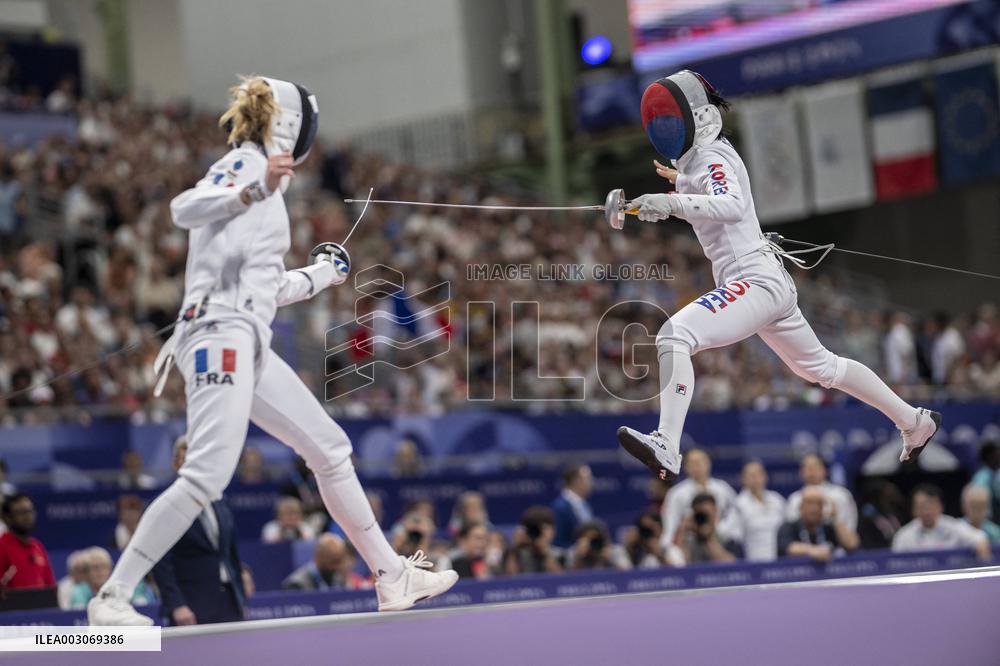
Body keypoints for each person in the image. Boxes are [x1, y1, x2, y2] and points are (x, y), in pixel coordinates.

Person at [87, 75, 457, 626]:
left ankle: (391, 575)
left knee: (330, 450)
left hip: (247, 337)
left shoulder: (268, 182)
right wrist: (253, 188)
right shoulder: (248, 164)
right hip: (219, 335)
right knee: (207, 476)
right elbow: (184, 207)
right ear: (288, 124)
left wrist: (321, 274)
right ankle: (113, 598)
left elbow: (264, 286)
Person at [615, 70, 941, 481]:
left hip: (753, 282)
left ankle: (667, 443)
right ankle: (914, 421)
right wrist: (675, 188)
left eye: (671, 120)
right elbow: (709, 192)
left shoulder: (712, 156)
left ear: (697, 117)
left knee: (674, 336)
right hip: (766, 283)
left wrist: (671, 201)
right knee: (822, 368)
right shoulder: (704, 158)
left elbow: (730, 203)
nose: (665, 129)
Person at [152, 436, 248, 625]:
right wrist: (177, 605)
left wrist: (240, 596)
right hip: (191, 606)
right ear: (176, 464)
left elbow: (230, 553)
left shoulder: (219, 500)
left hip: (229, 602)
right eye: (186, 459)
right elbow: (161, 562)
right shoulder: (166, 505)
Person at [892, 484, 991, 561]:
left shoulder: (953, 526)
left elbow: (979, 537)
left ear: (941, 506)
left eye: (930, 504)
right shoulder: (903, 536)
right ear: (913, 510)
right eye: (921, 506)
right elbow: (894, 563)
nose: (926, 511)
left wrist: (984, 558)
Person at [660, 448, 736, 547]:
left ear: (709, 463)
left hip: (721, 540)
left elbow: (735, 513)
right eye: (693, 463)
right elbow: (670, 523)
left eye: (701, 462)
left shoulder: (722, 488)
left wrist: (722, 529)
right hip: (689, 542)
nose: (698, 466)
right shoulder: (676, 493)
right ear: (685, 467)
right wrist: (667, 545)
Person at [777, 486, 858, 562]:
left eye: (819, 504)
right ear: (801, 507)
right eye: (809, 503)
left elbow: (851, 544)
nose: (814, 508)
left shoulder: (828, 527)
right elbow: (788, 547)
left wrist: (836, 518)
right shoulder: (789, 526)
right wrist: (813, 550)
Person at [728, 461, 785, 561]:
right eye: (751, 475)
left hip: (782, 560)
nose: (756, 478)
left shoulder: (777, 499)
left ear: (765, 477)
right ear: (743, 479)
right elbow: (733, 536)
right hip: (756, 562)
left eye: (759, 474)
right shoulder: (739, 504)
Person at [784, 454, 858, 532]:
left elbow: (851, 523)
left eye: (815, 466)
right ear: (801, 472)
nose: (811, 471)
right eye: (807, 467)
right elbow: (791, 528)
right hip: (804, 542)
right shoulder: (795, 499)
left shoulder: (841, 494)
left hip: (837, 542)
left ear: (825, 470)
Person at [0, 493, 55, 590]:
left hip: (42, 604)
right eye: (21, 512)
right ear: (7, 518)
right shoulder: (2, 547)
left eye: (30, 511)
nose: (28, 516)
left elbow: (50, 586)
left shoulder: (37, 546)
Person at [70, 547, 155, 610]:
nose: (100, 572)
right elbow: (78, 613)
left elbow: (143, 607)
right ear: (87, 572)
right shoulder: (79, 591)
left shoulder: (121, 586)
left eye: (104, 567)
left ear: (110, 570)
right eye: (95, 567)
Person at [673, 494, 742, 565]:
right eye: (700, 514)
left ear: (716, 511)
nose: (704, 518)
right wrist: (683, 528)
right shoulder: (689, 539)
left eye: (707, 513)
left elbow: (732, 565)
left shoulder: (728, 536)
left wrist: (707, 538)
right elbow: (679, 563)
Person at [283, 534, 368, 591]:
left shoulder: (339, 579)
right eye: (334, 561)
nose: (338, 566)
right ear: (319, 557)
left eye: (340, 560)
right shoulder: (296, 584)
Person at [503, 506, 562, 575]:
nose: (537, 533)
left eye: (542, 528)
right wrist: (515, 548)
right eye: (534, 529)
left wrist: (546, 553)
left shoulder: (561, 554)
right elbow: (509, 580)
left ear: (553, 530)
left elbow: (563, 581)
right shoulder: (518, 554)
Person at [551, 463, 594, 548]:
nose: (591, 482)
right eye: (588, 478)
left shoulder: (584, 505)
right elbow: (557, 541)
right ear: (575, 480)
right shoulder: (560, 507)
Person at [857, 480, 906, 550]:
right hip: (880, 553)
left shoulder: (896, 512)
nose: (895, 495)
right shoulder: (868, 517)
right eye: (890, 493)